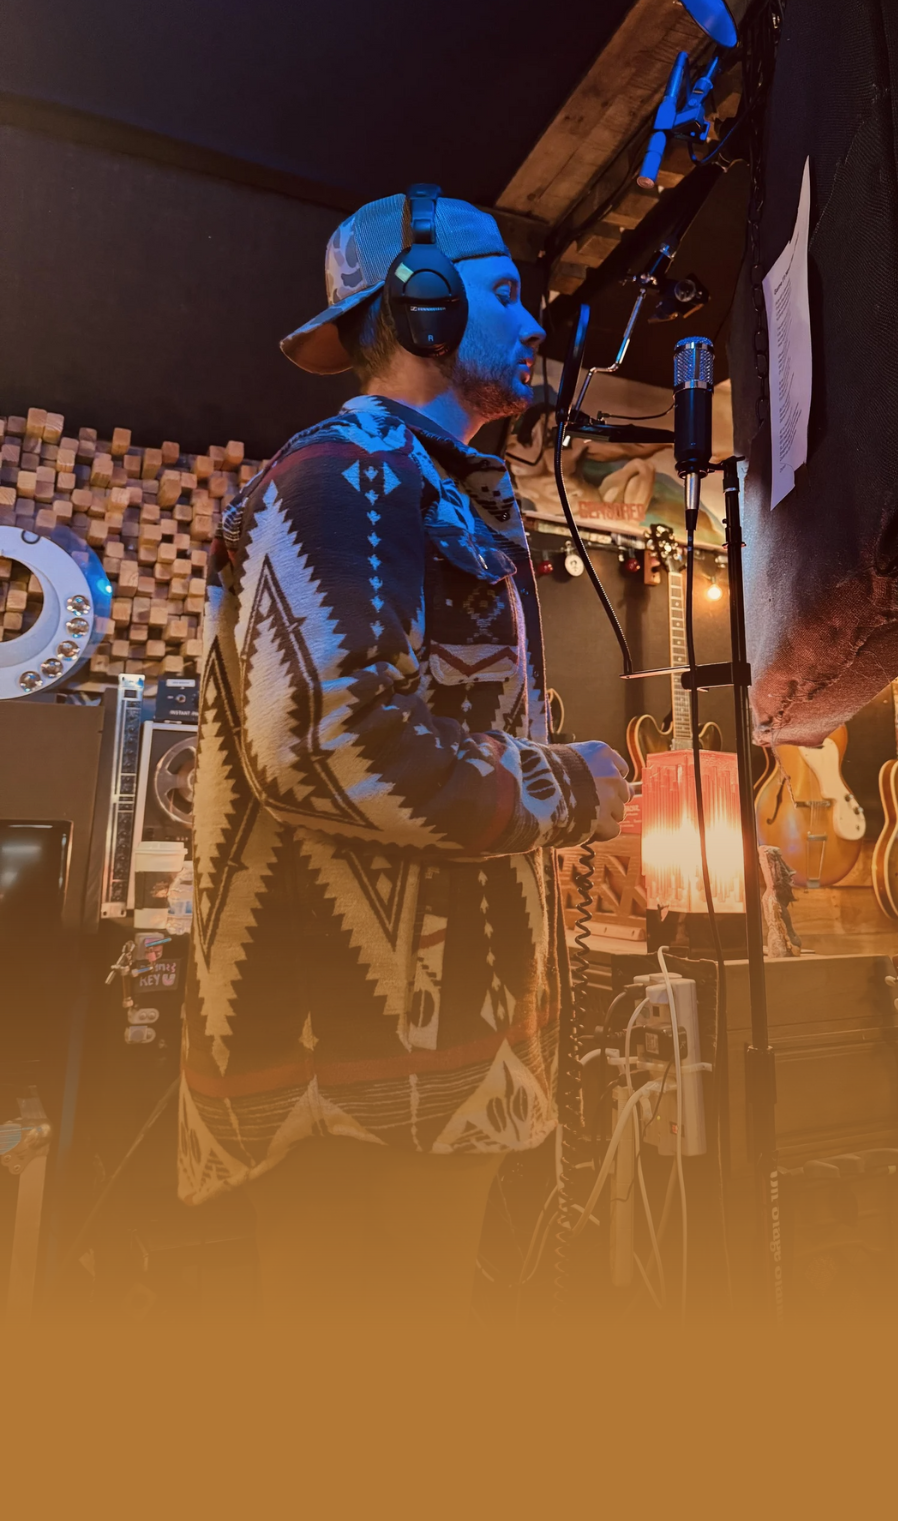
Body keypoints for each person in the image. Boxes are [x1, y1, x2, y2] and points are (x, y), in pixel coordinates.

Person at [179, 188, 630, 1322]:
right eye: (506, 292)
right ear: (425, 304)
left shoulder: (415, 481)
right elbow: (333, 742)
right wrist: (568, 787)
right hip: (357, 1073)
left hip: (423, 1065)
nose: (534, 322)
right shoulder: (343, 475)